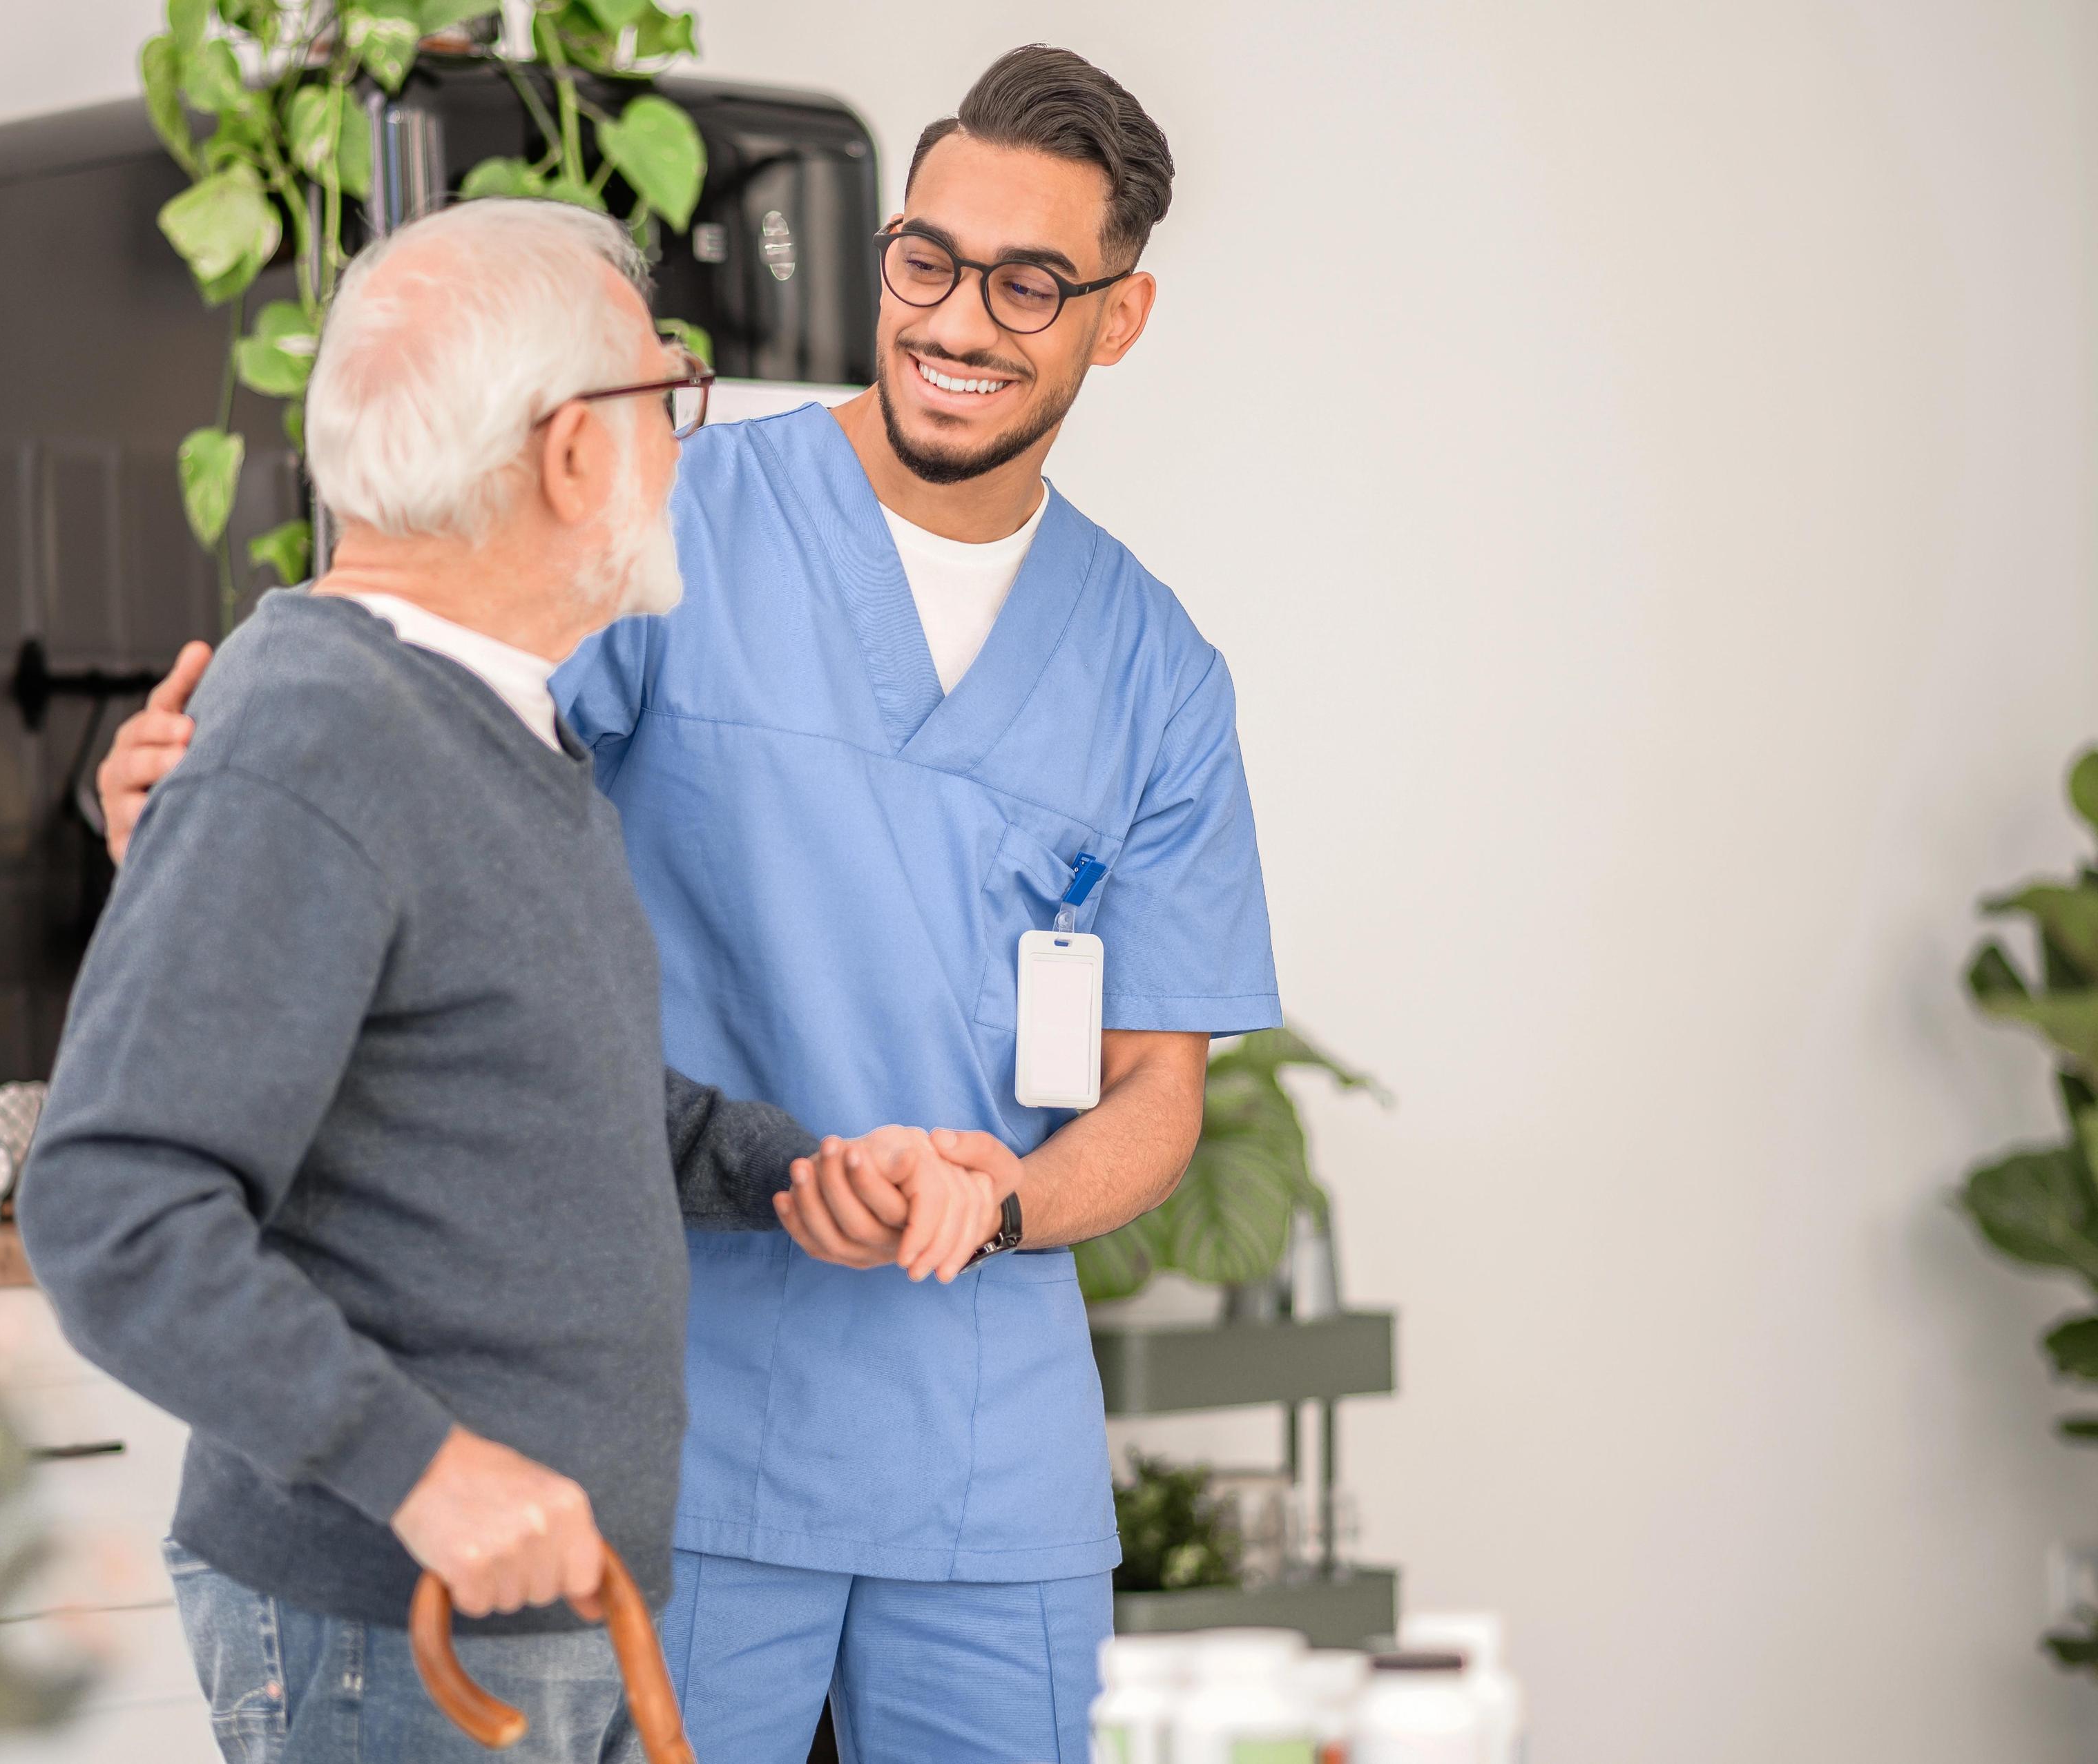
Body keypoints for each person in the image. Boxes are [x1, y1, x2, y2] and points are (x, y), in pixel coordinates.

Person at [99, 46, 1279, 1764]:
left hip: (985, 1466)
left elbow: (1157, 1091)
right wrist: (181, 809)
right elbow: (399, 733)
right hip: (690, 1412)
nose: (957, 317)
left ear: (1121, 314)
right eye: (926, 259)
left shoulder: (1157, 672)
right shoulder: (670, 512)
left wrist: (1009, 1201)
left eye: (1029, 283)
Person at [18, 199, 1001, 1764]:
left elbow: (558, 1100)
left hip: (540, 1628)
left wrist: (803, 1169)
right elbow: (108, 1207)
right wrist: (424, 1471)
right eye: (665, 397)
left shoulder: (484, 728)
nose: (687, 442)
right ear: (566, 453)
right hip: (386, 1637)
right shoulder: (320, 732)